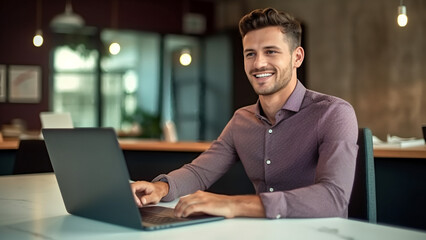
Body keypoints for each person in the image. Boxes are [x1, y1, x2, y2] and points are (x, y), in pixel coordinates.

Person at [131, 7, 358, 219]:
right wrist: (161, 188)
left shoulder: (333, 113)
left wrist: (233, 204)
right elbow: (200, 172)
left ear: (297, 57)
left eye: (271, 52)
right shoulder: (242, 120)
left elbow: (333, 197)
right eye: (250, 54)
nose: (258, 63)